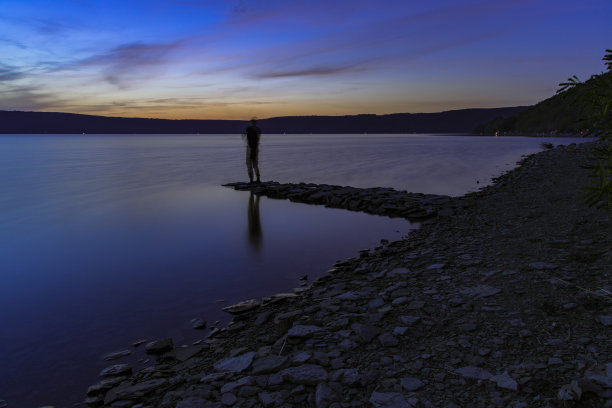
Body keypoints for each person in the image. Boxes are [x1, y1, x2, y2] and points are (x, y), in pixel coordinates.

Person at [245, 118, 261, 183]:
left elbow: (248, 140)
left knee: (249, 164)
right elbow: (258, 140)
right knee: (255, 165)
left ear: (251, 122)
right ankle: (258, 179)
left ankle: (251, 180)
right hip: (256, 149)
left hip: (250, 149)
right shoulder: (259, 130)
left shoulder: (249, 129)